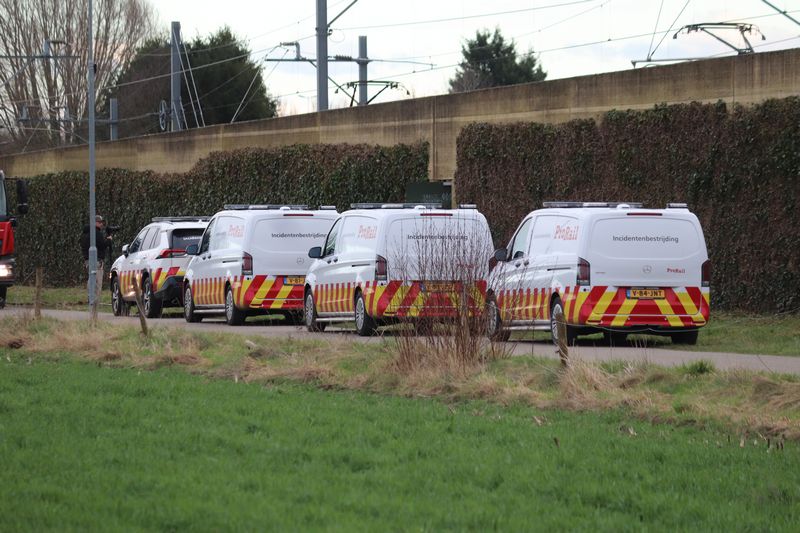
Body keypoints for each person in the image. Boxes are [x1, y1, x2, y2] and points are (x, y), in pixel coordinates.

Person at [81, 215, 113, 303]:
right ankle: (94, 301)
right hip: (97, 261)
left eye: (101, 222)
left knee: (91, 279)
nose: (101, 224)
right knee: (97, 282)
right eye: (99, 222)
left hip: (88, 260)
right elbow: (102, 245)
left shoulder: (85, 233)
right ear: (94, 223)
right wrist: (109, 240)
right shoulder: (96, 233)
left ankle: (90, 298)